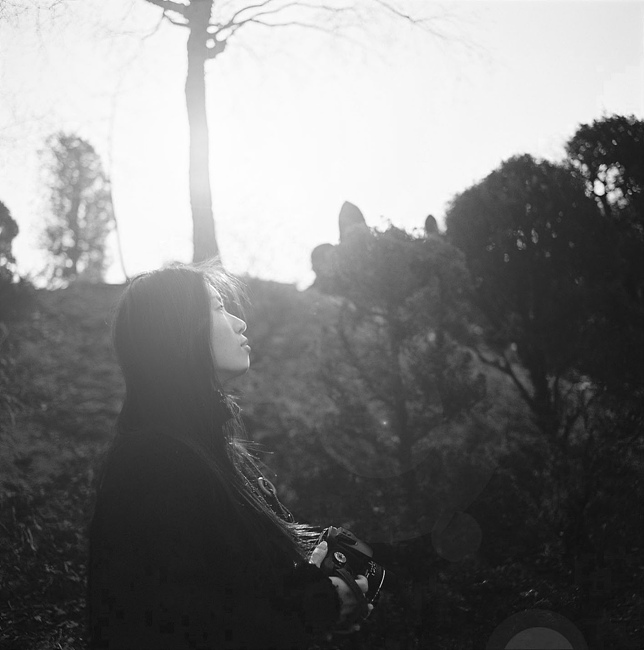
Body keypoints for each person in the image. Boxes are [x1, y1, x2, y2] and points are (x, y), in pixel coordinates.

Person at [87, 262, 371, 650]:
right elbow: (183, 622)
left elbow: (230, 586)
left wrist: (311, 583)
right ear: (180, 331)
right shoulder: (155, 464)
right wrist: (320, 603)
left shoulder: (203, 449)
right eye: (219, 307)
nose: (240, 323)